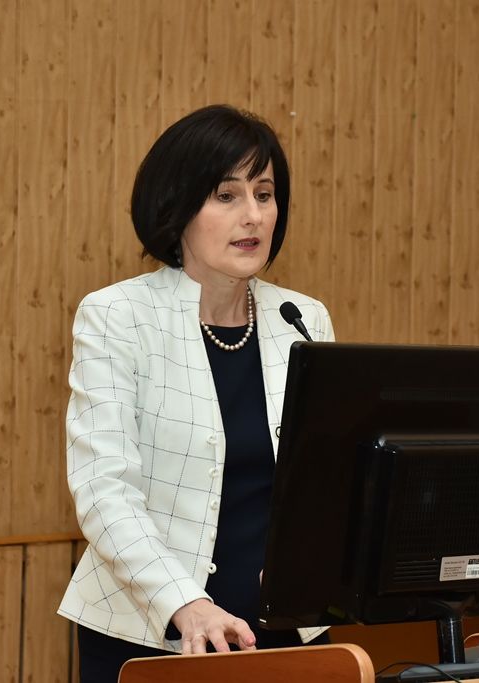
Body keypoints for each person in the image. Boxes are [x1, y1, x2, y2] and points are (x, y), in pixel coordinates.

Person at [57, 105, 334, 681]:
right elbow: (105, 490)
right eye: (227, 196)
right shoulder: (118, 316)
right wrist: (186, 602)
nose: (253, 215)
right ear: (177, 206)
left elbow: (326, 483)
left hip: (284, 632)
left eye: (265, 194)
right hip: (151, 633)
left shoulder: (302, 319)